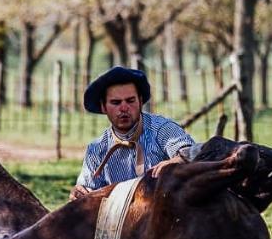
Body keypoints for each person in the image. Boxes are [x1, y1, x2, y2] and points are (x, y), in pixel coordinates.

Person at [70, 66, 196, 200]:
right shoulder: (96, 150)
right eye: (116, 102)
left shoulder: (161, 128)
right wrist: (79, 193)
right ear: (103, 106)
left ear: (140, 101)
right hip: (119, 219)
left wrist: (179, 159)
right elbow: (87, 191)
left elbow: (191, 151)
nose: (124, 108)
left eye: (130, 101)